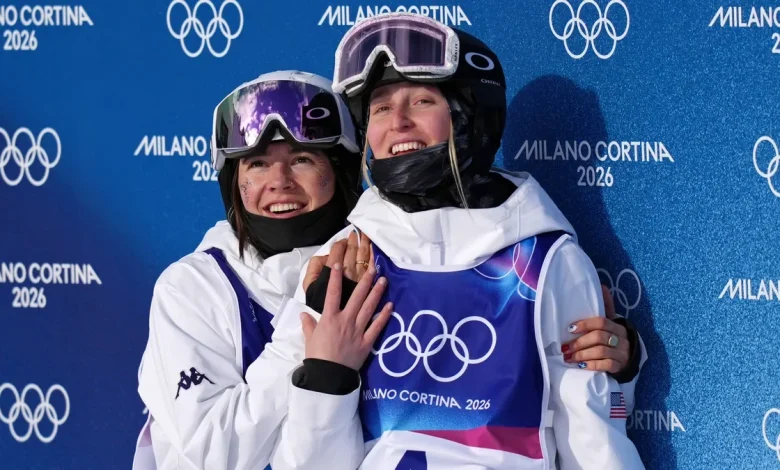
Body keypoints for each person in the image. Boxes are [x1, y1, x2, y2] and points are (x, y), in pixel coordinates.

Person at [289, 12, 647, 469]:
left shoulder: (543, 261)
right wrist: (325, 375)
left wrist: (620, 373)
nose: (397, 122)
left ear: (470, 117)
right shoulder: (343, 259)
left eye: (421, 100)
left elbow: (596, 439)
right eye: (379, 107)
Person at [131, 70, 389, 470]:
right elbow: (218, 452)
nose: (279, 182)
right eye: (257, 164)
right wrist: (310, 321)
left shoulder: (378, 267)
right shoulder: (192, 288)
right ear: (234, 182)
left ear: (340, 173)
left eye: (302, 160)